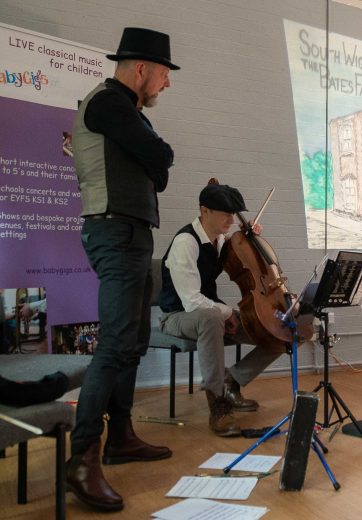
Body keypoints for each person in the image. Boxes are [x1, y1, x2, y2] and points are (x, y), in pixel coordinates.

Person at [66, 27, 179, 512]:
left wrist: (154, 161)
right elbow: (162, 157)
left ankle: (121, 437)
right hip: (115, 233)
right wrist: (154, 158)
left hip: (131, 233)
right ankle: (82, 457)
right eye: (163, 76)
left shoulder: (123, 110)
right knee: (114, 344)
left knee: (131, 341)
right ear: (141, 70)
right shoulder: (109, 103)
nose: (166, 85)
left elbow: (160, 173)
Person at [159, 182, 284, 437]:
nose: (232, 220)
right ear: (205, 212)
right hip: (177, 316)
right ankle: (218, 403)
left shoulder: (222, 241)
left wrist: (252, 240)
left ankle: (233, 381)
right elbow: (192, 301)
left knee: (278, 330)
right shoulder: (186, 242)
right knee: (210, 316)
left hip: (212, 315)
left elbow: (245, 260)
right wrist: (227, 312)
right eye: (226, 214)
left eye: (233, 214)